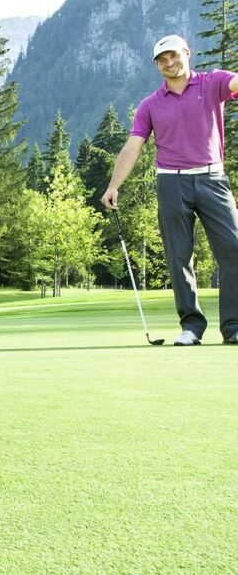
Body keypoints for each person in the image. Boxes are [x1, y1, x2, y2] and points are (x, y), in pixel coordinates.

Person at [102, 33, 238, 345]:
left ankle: (233, 327)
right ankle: (191, 327)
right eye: (162, 60)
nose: (169, 63)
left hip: (212, 179)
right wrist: (113, 185)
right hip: (171, 182)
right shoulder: (150, 104)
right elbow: (133, 146)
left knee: (233, 250)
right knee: (179, 257)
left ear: (187, 53)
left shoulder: (211, 82)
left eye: (173, 55)